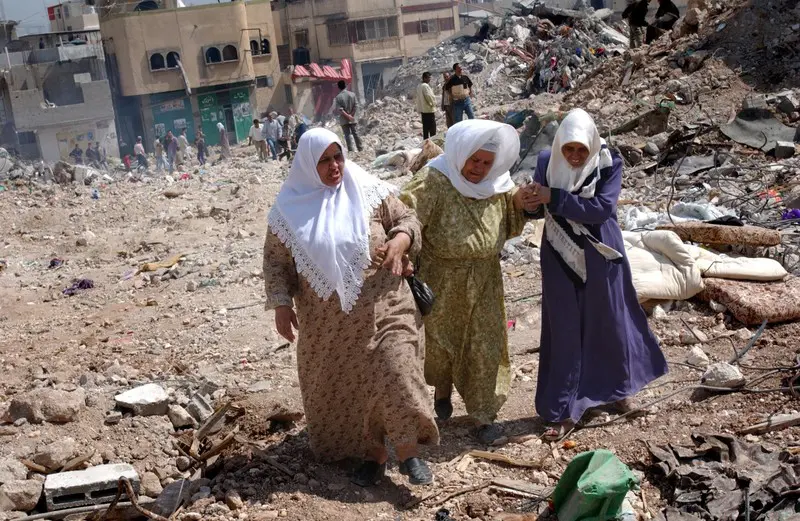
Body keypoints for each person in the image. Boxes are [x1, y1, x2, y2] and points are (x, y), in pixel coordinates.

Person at [263, 128, 439, 487]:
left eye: (338, 156)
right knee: (350, 387)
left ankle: (408, 453)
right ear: (308, 165)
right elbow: (276, 263)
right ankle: (372, 455)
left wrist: (401, 241)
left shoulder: (368, 190)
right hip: (331, 327)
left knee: (397, 367)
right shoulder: (288, 211)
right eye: (324, 160)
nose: (334, 167)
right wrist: (281, 304)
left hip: (387, 306)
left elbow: (408, 220)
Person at [522, 109, 668, 441]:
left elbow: (601, 209)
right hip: (559, 253)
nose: (574, 157)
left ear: (591, 145)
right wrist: (531, 201)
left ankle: (617, 390)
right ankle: (562, 409)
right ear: (559, 146)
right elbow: (536, 208)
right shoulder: (547, 159)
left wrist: (554, 197)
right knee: (565, 329)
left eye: (580, 150)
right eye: (568, 149)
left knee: (609, 322)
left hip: (600, 252)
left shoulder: (608, 162)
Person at [399, 120, 535, 444]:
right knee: (439, 347)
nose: (479, 168)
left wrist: (520, 202)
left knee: (486, 347)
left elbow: (510, 213)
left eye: (487, 163)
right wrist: (402, 246)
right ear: (460, 153)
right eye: (474, 160)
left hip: (485, 281)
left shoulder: (496, 183)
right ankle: (442, 390)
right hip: (440, 280)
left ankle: (485, 415)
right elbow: (405, 215)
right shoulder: (434, 179)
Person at [334, 80, 362, 153]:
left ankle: (351, 150)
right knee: (356, 133)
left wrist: (347, 116)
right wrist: (351, 115)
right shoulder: (352, 94)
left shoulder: (338, 97)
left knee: (347, 135)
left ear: (338, 87)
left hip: (344, 119)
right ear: (345, 86)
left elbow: (340, 110)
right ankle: (360, 149)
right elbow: (356, 106)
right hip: (353, 118)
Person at [415, 72, 437, 140]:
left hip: (423, 111)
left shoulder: (419, 86)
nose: (429, 79)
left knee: (425, 129)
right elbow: (429, 96)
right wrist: (433, 104)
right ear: (425, 78)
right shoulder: (425, 86)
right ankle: (433, 143)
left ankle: (426, 143)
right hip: (428, 110)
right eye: (428, 78)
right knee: (432, 129)